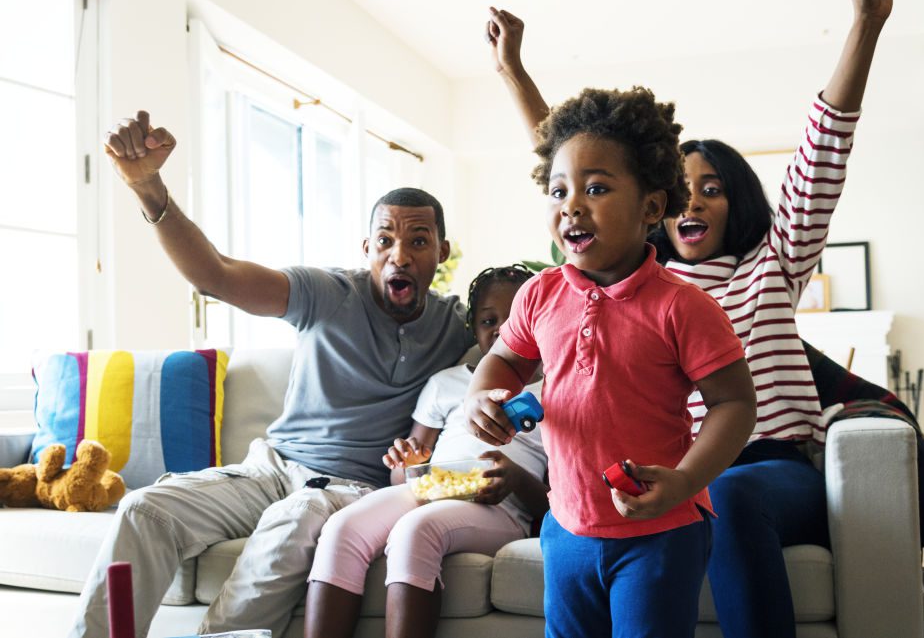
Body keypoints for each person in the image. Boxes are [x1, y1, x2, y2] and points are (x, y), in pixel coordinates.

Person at [486, 0, 892, 635]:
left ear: (738, 203)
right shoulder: (626, 275)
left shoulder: (772, 264)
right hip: (650, 480)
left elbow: (820, 160)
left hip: (766, 465)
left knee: (726, 494)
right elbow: (578, 164)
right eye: (685, 190)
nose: (694, 200)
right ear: (658, 209)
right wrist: (513, 74)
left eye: (714, 187)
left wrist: (865, 26)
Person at [68, 112, 474, 638]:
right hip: (270, 470)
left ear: (441, 252)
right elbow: (216, 275)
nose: (400, 254)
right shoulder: (327, 293)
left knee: (291, 524)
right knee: (145, 509)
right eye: (385, 240)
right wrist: (147, 186)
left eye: (419, 241)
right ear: (366, 250)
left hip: (349, 488)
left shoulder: (458, 325)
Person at [465, 86, 757, 637]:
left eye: (595, 188)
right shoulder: (538, 294)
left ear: (651, 206)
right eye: (558, 191)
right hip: (567, 527)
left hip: (661, 529)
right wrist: (484, 395)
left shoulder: (683, 306)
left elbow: (735, 403)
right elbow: (505, 359)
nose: (571, 204)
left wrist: (686, 478)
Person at [303, 264, 548, 638]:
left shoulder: (556, 390)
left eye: (513, 319)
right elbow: (404, 476)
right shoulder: (446, 383)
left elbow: (556, 505)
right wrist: (410, 464)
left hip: (503, 509)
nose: (501, 330)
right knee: (341, 527)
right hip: (433, 490)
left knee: (415, 530)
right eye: (488, 320)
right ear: (473, 328)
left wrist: (513, 478)